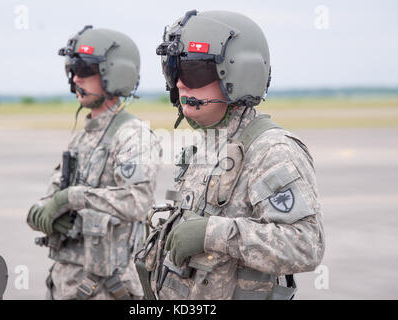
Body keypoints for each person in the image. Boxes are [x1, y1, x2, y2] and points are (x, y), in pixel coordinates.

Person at [135, 10, 325, 300]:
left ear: (239, 74)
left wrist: (213, 233)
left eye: (192, 71)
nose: (180, 84)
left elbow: (306, 245)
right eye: (173, 70)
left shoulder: (270, 149)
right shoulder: (208, 143)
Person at [26, 25, 161, 300]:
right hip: (65, 283)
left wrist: (70, 198)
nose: (76, 78)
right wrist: (44, 213)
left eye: (85, 69)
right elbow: (48, 200)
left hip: (107, 287)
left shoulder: (133, 135)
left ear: (114, 74)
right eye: (72, 69)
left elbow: (137, 202)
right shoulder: (82, 138)